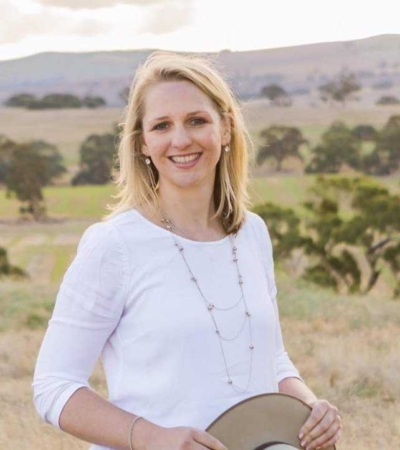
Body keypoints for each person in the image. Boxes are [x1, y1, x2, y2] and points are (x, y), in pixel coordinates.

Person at [32, 51, 342, 450]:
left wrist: (312, 408)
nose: (181, 139)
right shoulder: (114, 245)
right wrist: (153, 438)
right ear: (143, 143)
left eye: (197, 120)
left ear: (226, 129)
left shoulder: (252, 234)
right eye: (162, 126)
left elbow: (270, 358)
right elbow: (53, 385)